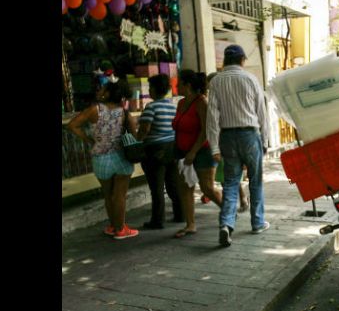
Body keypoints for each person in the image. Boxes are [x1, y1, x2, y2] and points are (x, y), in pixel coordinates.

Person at [207, 44, 271, 247]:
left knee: (231, 183)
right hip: (250, 135)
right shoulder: (251, 79)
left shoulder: (216, 81)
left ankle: (226, 224)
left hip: (227, 137)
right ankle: (258, 222)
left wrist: (215, 148)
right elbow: (262, 113)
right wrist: (266, 141)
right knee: (255, 181)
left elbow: (212, 117)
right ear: (242, 59)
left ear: (225, 61)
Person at [67, 77, 139, 239]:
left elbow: (72, 125)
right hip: (121, 159)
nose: (99, 91)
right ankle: (121, 229)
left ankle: (114, 226)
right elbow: (134, 136)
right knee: (119, 195)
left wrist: (88, 139)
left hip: (100, 159)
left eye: (102, 89)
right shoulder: (125, 114)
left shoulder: (95, 110)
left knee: (108, 195)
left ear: (107, 94)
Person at [172, 70, 223, 238]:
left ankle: (227, 210)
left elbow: (205, 130)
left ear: (188, 85)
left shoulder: (202, 102)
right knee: (185, 187)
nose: (176, 86)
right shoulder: (181, 103)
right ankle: (190, 225)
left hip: (202, 151)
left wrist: (193, 152)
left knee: (207, 188)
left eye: (179, 84)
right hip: (182, 151)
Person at [136, 74, 183, 229]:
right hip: (171, 148)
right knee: (173, 184)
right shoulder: (172, 106)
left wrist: (137, 139)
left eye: (150, 88)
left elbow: (144, 130)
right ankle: (180, 214)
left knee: (156, 187)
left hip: (155, 151)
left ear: (155, 89)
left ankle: (157, 220)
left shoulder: (151, 107)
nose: (149, 90)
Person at [206, 72, 249, 213]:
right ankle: (241, 199)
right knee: (228, 175)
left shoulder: (215, 101)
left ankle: (236, 203)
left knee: (228, 176)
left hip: (224, 142)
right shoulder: (226, 99)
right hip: (225, 141)